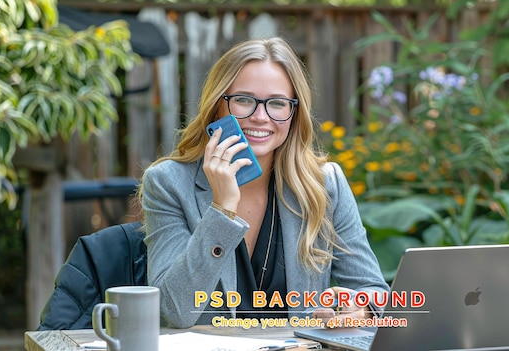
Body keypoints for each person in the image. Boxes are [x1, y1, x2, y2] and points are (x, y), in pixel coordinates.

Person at [139, 36, 390, 329]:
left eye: (277, 103)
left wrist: (363, 310)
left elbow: (374, 292)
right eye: (244, 100)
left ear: (294, 113)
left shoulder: (324, 184)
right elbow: (173, 310)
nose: (260, 117)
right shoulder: (168, 184)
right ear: (217, 107)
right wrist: (221, 210)